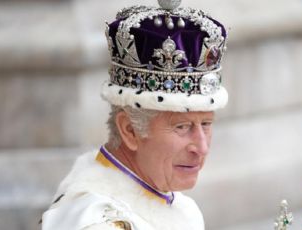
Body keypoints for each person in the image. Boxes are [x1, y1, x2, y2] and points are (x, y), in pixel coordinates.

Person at [41, 0, 228, 229]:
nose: (201, 147)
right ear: (130, 131)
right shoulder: (98, 222)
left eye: (206, 123)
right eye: (181, 127)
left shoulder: (175, 205)